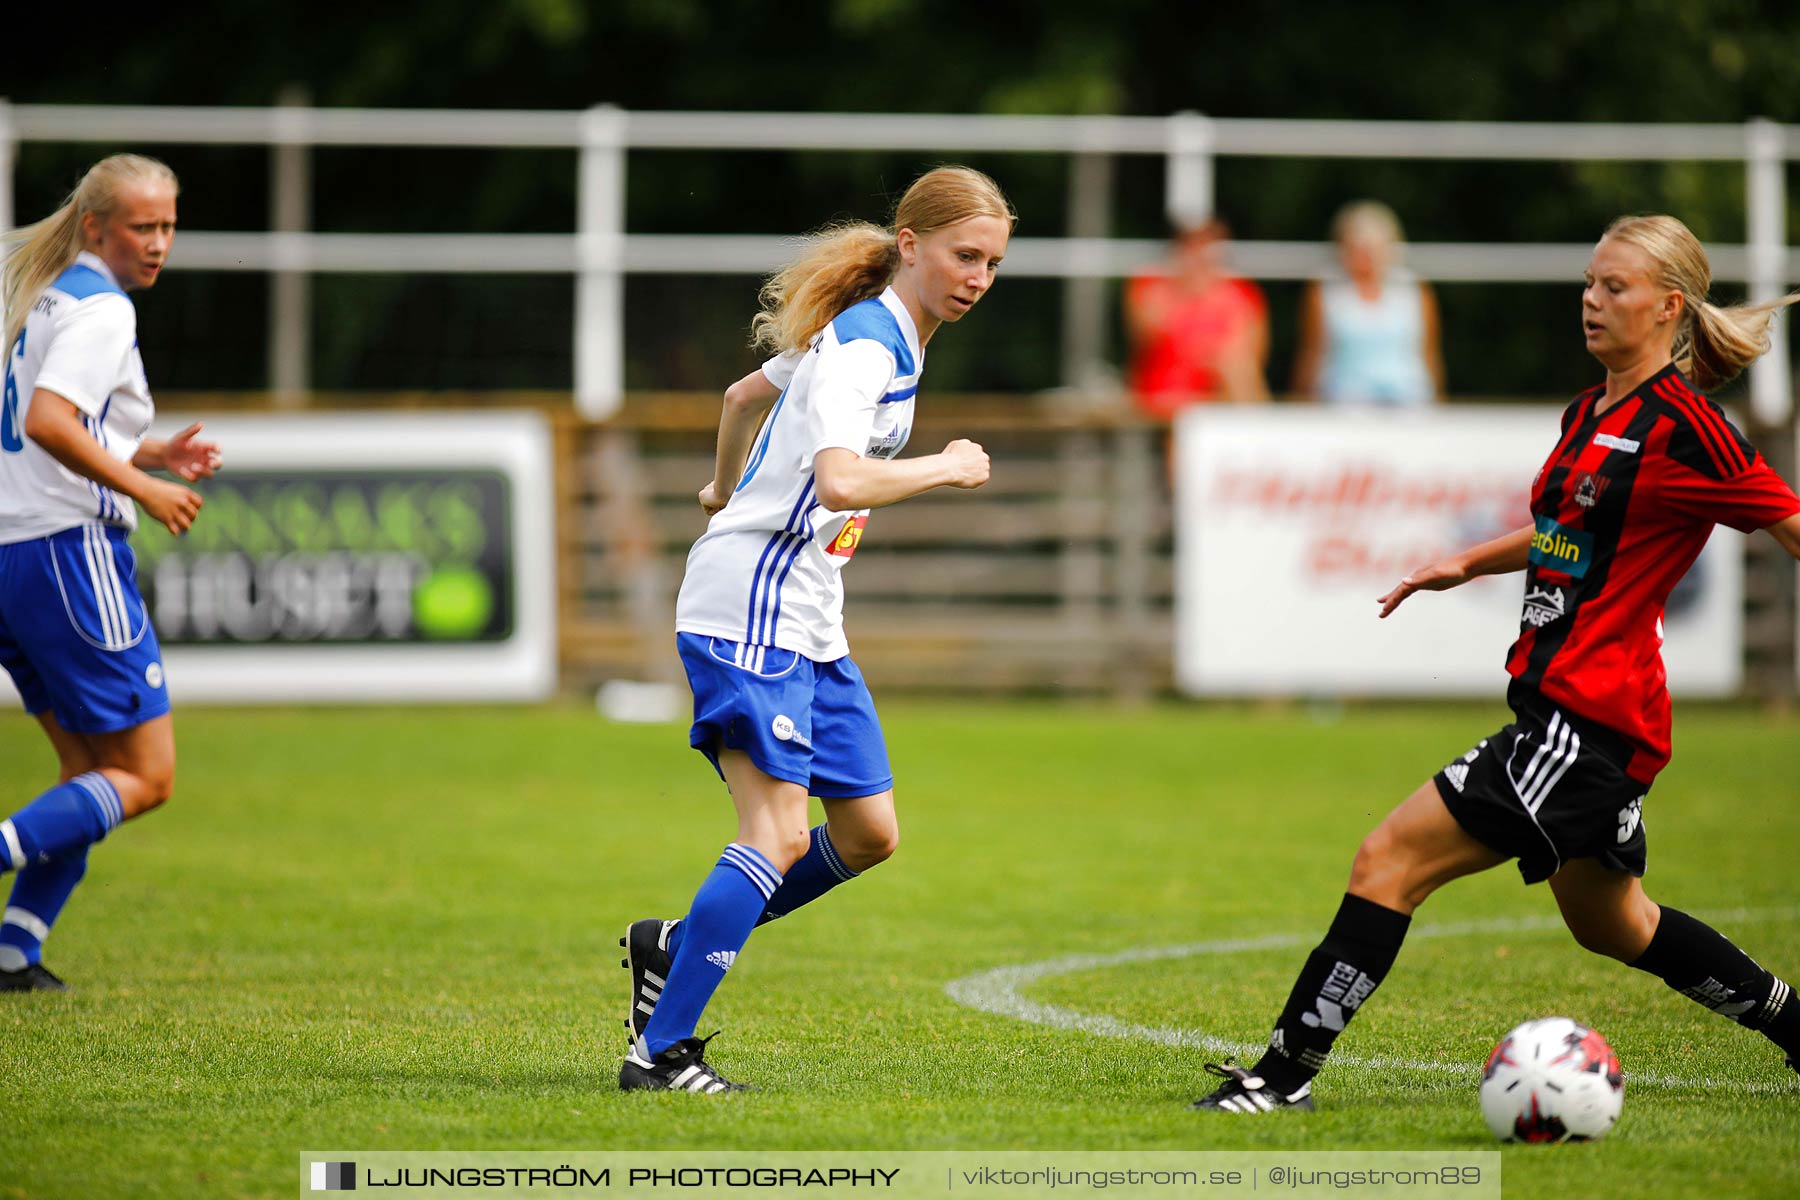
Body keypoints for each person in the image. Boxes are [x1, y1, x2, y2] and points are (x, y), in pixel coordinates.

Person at [1194, 214, 1800, 1114]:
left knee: (1387, 861)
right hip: (1576, 718)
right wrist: (1469, 562)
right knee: (1616, 925)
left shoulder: (1691, 431)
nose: (1593, 301)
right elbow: (1574, 532)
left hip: (1587, 724)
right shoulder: (1589, 410)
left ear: (1671, 306)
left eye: (1616, 288)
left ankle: (1280, 1080)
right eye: (1590, 283)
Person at [617, 166, 1013, 1093]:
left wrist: (722, 490)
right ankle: (659, 1053)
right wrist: (944, 467)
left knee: (869, 831)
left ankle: (676, 945)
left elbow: (738, 398)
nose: (979, 278)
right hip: (751, 609)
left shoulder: (887, 330)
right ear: (910, 245)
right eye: (965, 256)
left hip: (808, 618)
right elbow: (839, 480)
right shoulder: (866, 348)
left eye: (993, 263)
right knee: (778, 836)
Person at [0, 154, 220, 991]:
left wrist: (151, 448)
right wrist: (145, 486)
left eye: (168, 224)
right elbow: (49, 421)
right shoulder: (102, 312)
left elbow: (52, 424)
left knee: (86, 773)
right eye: (142, 226)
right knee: (146, 774)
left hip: (12, 554)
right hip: (66, 555)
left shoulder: (45, 297)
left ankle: (15, 952)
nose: (159, 242)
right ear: (95, 225)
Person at [1291, 201, 1444, 408]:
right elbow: (1313, 353)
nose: (1364, 257)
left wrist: (1439, 407)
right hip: (1344, 398)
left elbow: (1429, 354)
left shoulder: (1413, 289)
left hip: (1408, 397)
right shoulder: (1327, 289)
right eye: (1357, 249)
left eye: (1371, 249)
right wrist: (1300, 405)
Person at [1124, 217, 1269, 417]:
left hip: (1219, 392)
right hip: (1164, 393)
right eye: (1192, 246)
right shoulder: (1151, 287)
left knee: (1237, 368)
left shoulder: (1240, 293)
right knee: (1234, 371)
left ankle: (1253, 432)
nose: (1199, 255)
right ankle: (1256, 432)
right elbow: (1147, 335)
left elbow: (1253, 353)